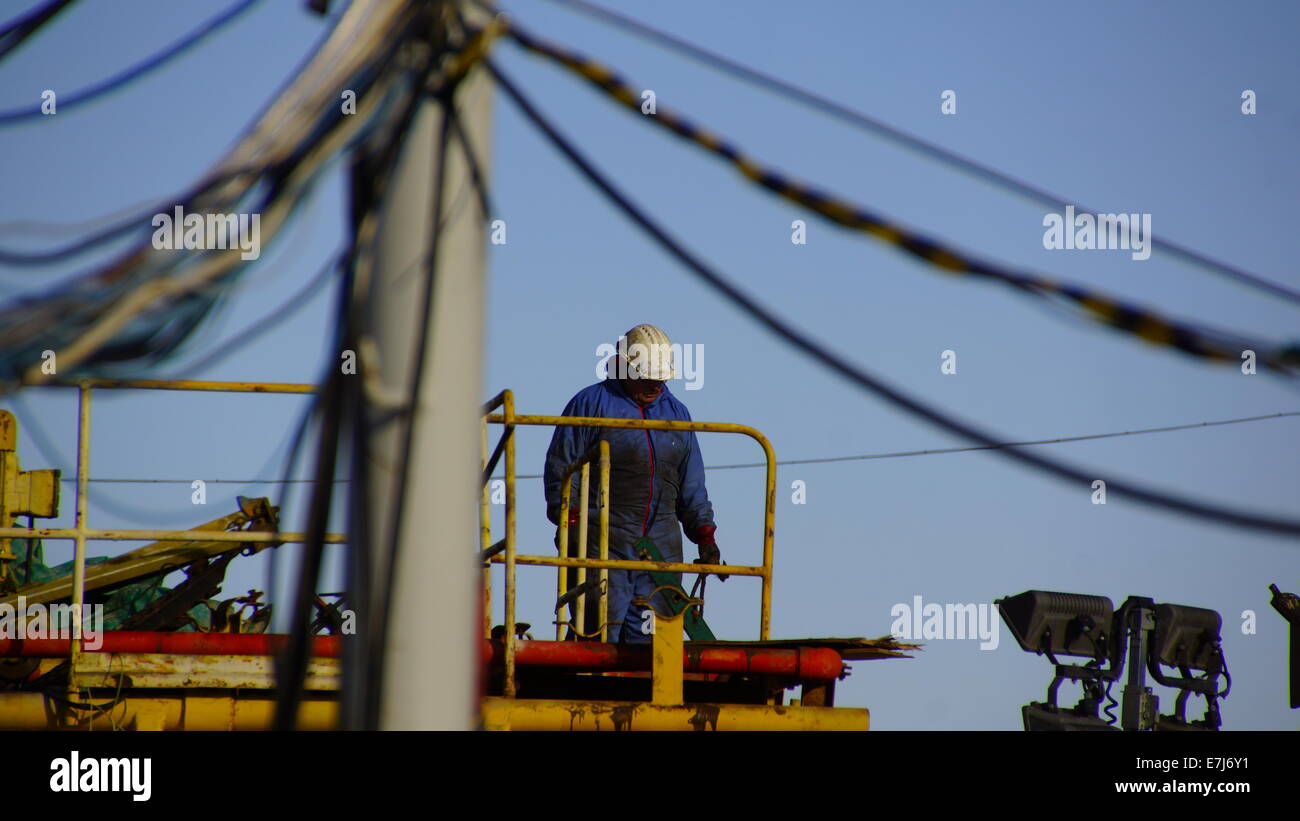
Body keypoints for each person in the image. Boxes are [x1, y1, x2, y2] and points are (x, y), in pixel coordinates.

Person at [543, 324, 720, 644]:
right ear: (625, 367)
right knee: (596, 634)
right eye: (647, 377)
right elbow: (562, 470)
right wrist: (569, 522)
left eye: (660, 378)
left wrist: (705, 536)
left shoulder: (678, 415)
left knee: (653, 647)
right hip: (599, 543)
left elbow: (692, 484)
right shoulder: (590, 404)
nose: (654, 385)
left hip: (661, 549)